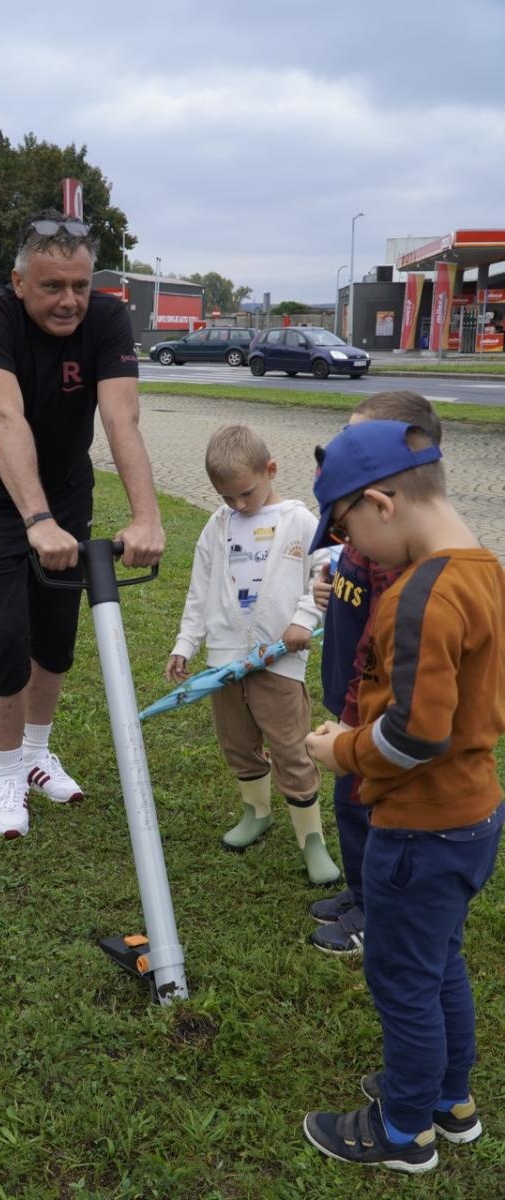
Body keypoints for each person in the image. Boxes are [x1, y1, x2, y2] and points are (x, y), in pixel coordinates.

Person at [303, 419, 505, 1174]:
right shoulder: (484, 566)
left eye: (347, 525)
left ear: (381, 503)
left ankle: (403, 1131)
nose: (350, 547)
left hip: (420, 829)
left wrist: (341, 750)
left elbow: (414, 736)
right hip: (472, 813)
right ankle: (450, 1100)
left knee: (401, 978)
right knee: (439, 960)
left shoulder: (420, 594)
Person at [0, 210, 164, 839]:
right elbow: (1, 418)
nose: (70, 300)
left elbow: (121, 419)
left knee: (54, 638)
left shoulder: (105, 317)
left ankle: (39, 754)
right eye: (52, 287)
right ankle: (8, 772)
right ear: (19, 283)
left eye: (79, 285)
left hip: (69, 492)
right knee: (6, 639)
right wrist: (36, 519)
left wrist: (147, 515)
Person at [165, 424, 340, 885]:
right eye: (228, 498)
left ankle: (312, 839)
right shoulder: (217, 525)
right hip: (224, 662)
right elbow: (199, 589)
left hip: (278, 659)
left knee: (289, 747)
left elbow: (326, 573)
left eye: (246, 493)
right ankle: (256, 812)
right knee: (237, 742)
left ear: (271, 470)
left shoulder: (299, 521)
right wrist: (187, 644)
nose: (239, 506)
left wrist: (304, 617)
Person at [308, 392, 442, 956]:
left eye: (358, 443)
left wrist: (355, 725)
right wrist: (329, 587)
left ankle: (371, 910)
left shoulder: (405, 564)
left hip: (372, 719)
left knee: (368, 809)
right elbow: (349, 581)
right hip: (347, 702)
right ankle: (359, 888)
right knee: (348, 805)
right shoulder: (365, 545)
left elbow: (384, 649)